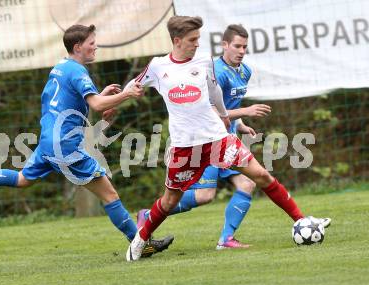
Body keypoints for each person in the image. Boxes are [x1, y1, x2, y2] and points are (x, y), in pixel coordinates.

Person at [0, 24, 173, 258]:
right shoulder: (79, 72)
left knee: (23, 179)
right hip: (64, 146)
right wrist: (126, 95)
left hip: (48, 141)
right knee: (110, 195)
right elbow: (96, 106)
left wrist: (102, 96)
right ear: (78, 46)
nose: (96, 47)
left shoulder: (60, 67)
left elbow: (68, 103)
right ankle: (141, 244)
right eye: (92, 43)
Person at [126, 16, 330, 262]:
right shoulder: (158, 66)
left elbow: (214, 92)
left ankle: (301, 220)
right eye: (193, 40)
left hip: (218, 139)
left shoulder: (204, 62)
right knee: (171, 199)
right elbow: (134, 85)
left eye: (198, 39)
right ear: (177, 41)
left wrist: (224, 116)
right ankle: (139, 240)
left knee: (261, 176)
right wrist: (118, 101)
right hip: (185, 147)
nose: (197, 44)